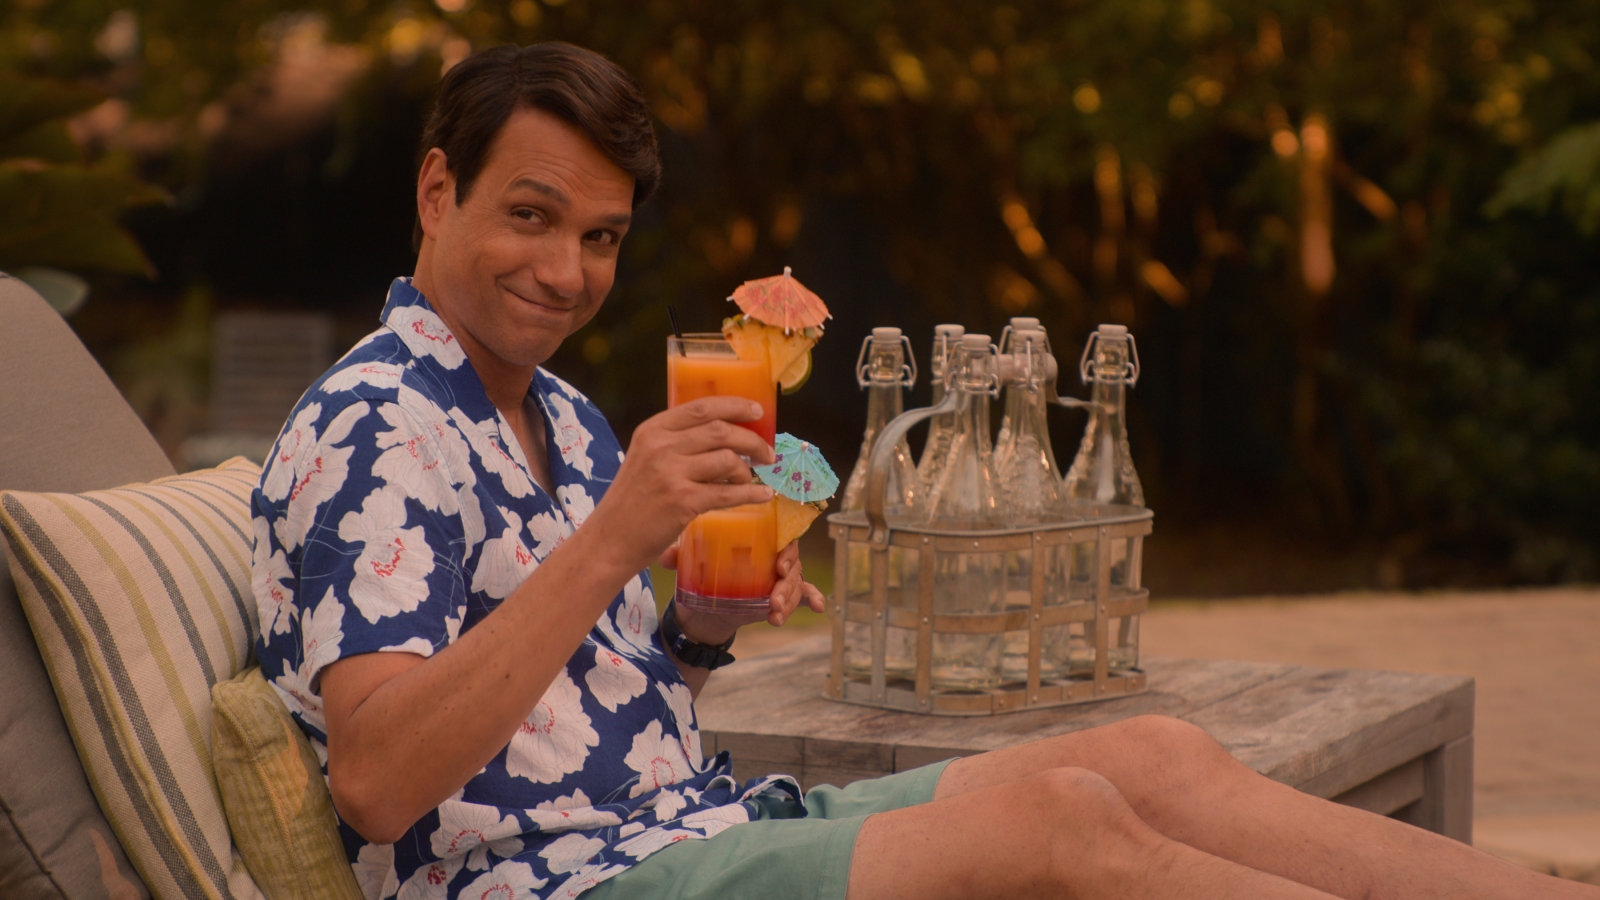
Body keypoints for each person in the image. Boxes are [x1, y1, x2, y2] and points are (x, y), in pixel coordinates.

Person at [251, 41, 1596, 900]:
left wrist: (701, 624)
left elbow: (601, 711)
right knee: (1062, 823)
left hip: (686, 825)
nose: (566, 270)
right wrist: (612, 541)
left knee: (1159, 756)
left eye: (600, 237)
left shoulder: (557, 413)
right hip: (558, 884)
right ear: (438, 192)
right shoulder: (375, 428)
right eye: (531, 217)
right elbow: (378, 779)